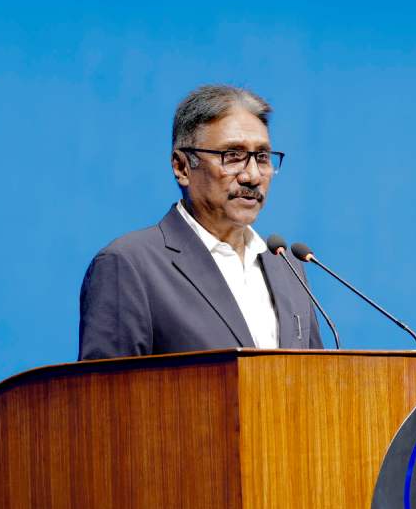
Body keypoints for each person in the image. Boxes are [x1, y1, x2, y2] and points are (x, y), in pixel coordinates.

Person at [78, 85, 323, 360]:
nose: (253, 176)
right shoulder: (129, 265)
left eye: (263, 157)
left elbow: (314, 379)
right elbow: (105, 388)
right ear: (182, 167)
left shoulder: (287, 267)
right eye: (233, 156)